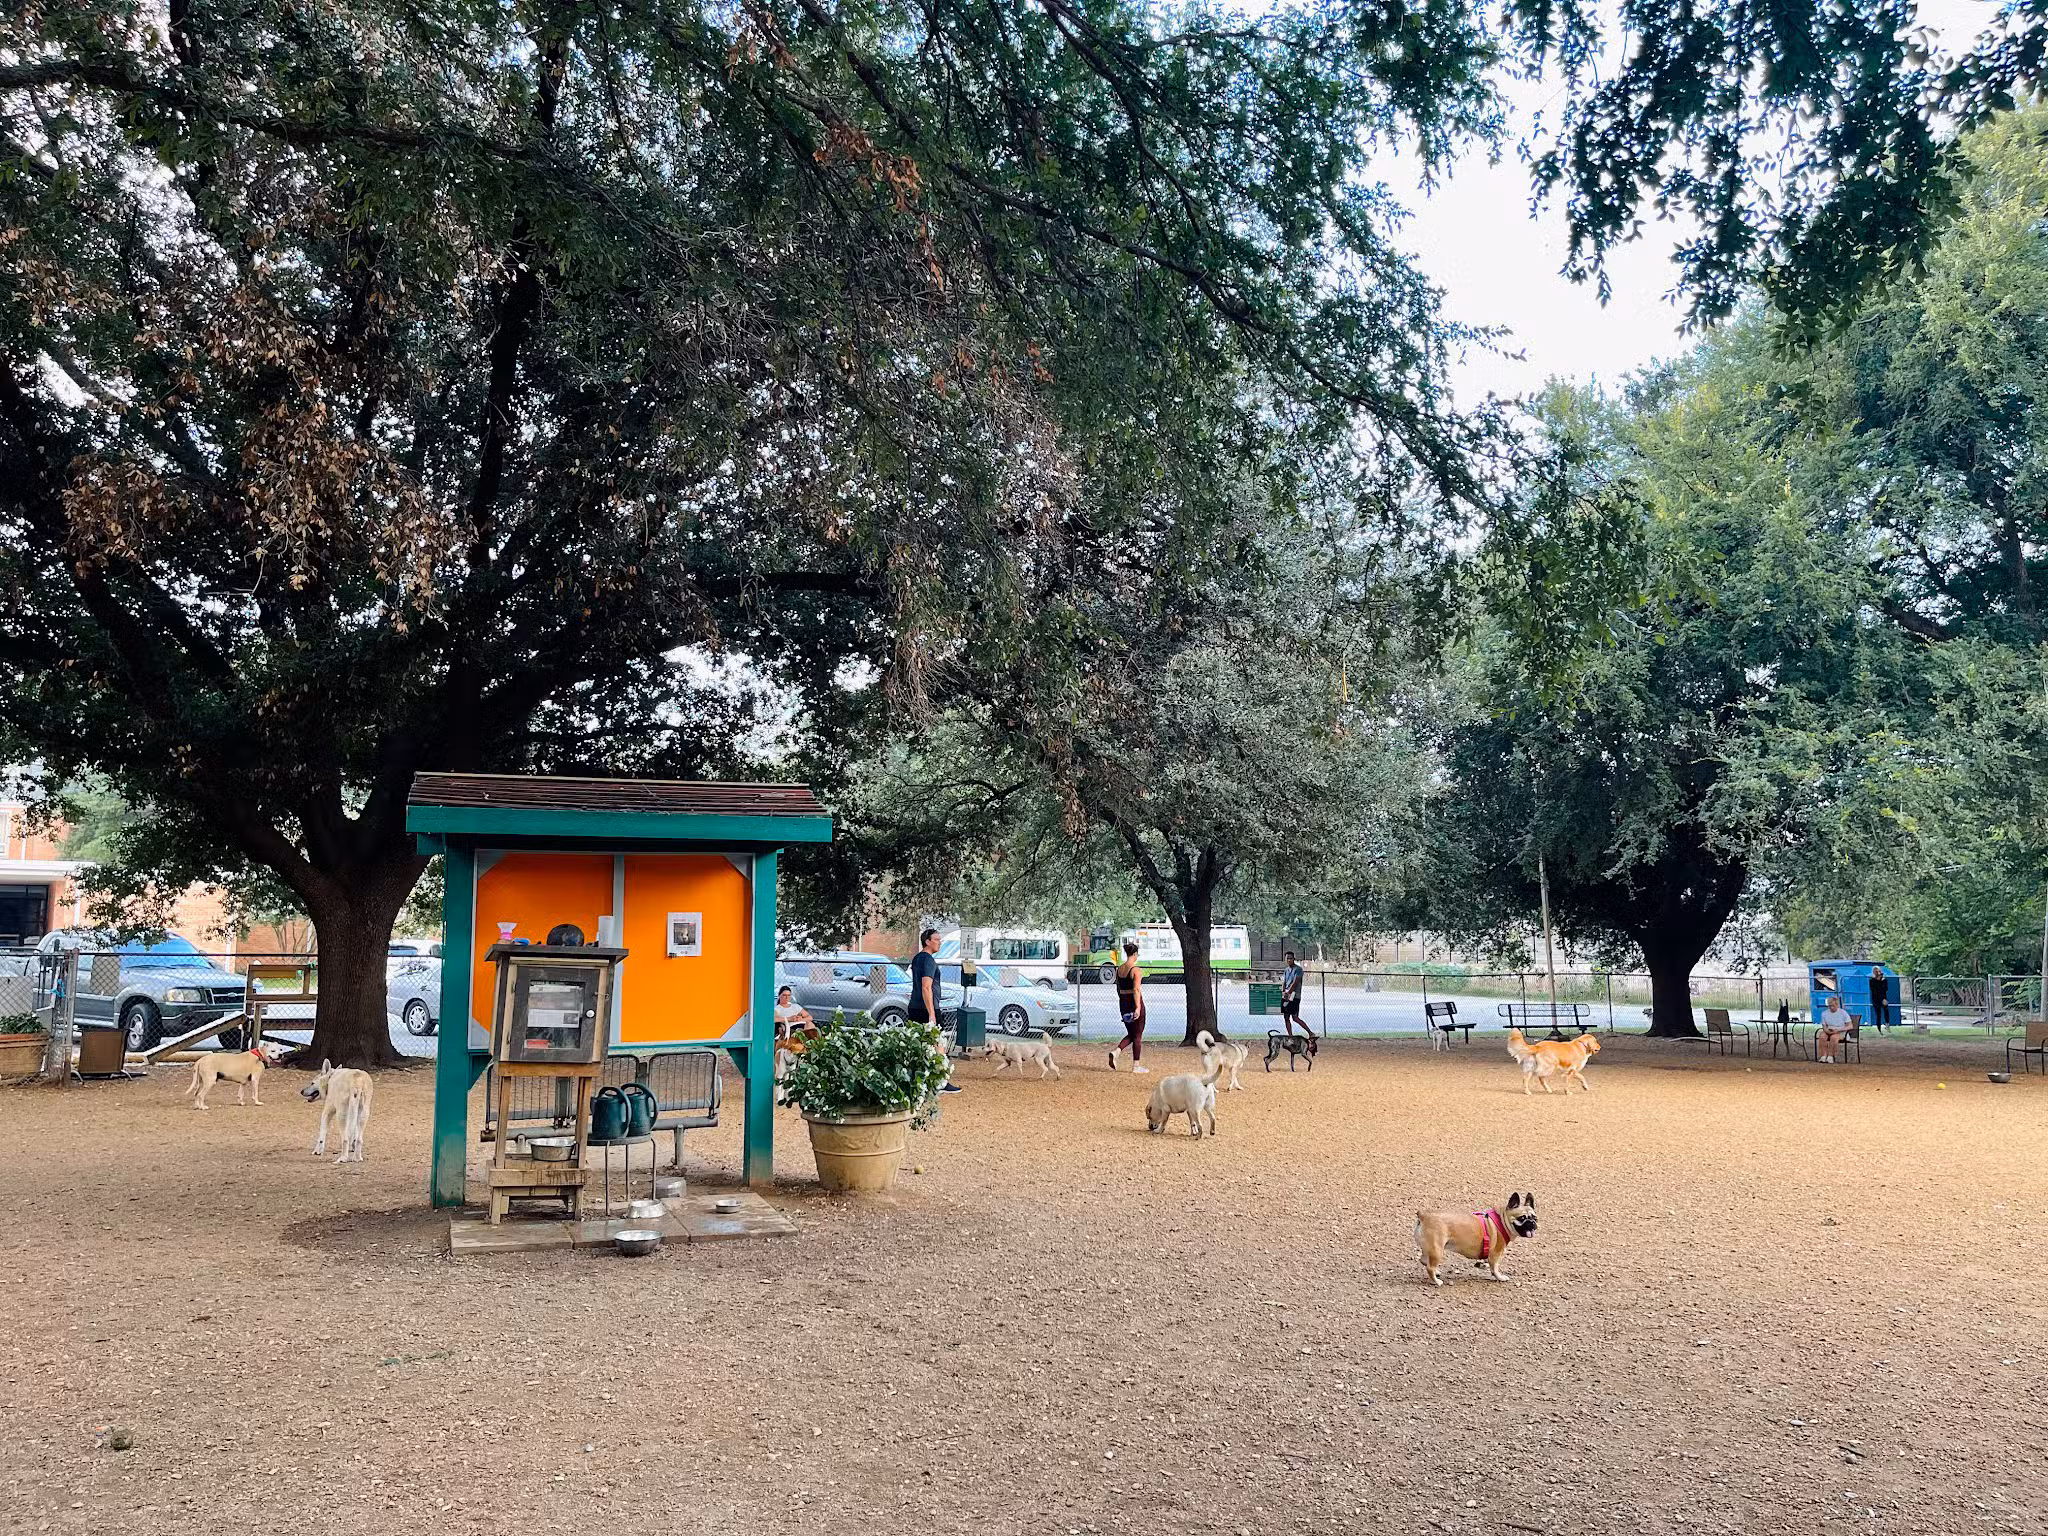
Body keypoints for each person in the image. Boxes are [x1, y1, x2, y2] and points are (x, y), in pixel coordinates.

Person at [908, 927, 962, 1093]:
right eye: (937, 940)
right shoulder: (928, 960)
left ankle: (920, 1081)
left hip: (914, 1007)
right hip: (927, 1009)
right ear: (927, 941)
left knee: (920, 1045)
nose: (939, 943)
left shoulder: (917, 958)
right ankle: (942, 1082)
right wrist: (931, 1012)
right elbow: (926, 986)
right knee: (938, 1044)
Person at [1109, 935, 1148, 1073]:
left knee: (1131, 1033)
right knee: (1137, 1035)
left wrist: (1123, 1001)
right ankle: (1136, 1066)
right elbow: (1136, 989)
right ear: (1135, 954)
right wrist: (1137, 1007)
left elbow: (1118, 988)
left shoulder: (1119, 969)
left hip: (1123, 1002)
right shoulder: (1136, 970)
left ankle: (1117, 1052)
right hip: (1133, 1002)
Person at [1278, 949, 1314, 1042]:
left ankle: (1310, 1032)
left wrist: (1288, 992)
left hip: (1294, 996)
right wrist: (1283, 991)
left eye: (1290, 958)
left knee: (1295, 1017)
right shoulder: (1286, 970)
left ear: (1294, 959)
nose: (1289, 960)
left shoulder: (1298, 969)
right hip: (1286, 995)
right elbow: (1284, 981)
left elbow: (1295, 982)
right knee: (1286, 1017)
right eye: (1287, 958)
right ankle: (1290, 1035)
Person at [1816, 993, 1854, 1063]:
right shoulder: (1824, 1013)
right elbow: (1824, 1026)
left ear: (1837, 1005)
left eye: (1833, 1006)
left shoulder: (1843, 1013)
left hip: (1841, 1031)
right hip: (1829, 1030)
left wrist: (1839, 1030)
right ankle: (1823, 1055)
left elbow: (1850, 1026)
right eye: (1830, 1006)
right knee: (1822, 1036)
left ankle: (1831, 1056)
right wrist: (1826, 1030)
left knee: (1834, 1037)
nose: (1831, 1008)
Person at [1868, 965, 1891, 1032]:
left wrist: (1884, 999)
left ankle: (1887, 1025)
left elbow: (1885, 989)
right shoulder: (1872, 981)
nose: (1878, 973)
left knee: (1886, 1011)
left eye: (1879, 971)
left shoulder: (1884, 981)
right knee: (1878, 1014)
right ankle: (1879, 1028)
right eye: (1876, 971)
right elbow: (1874, 991)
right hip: (1876, 999)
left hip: (1883, 998)